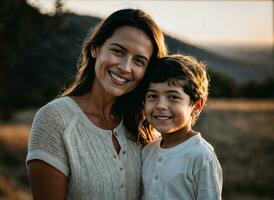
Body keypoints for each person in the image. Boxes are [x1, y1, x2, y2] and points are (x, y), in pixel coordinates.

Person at [26, 8, 167, 200]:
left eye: (139, 61)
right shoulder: (54, 119)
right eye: (118, 51)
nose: (125, 67)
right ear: (95, 48)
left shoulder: (145, 127)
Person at [141, 54, 223, 199]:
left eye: (173, 97)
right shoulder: (147, 151)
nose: (160, 106)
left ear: (197, 106)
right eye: (153, 96)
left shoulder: (201, 157)